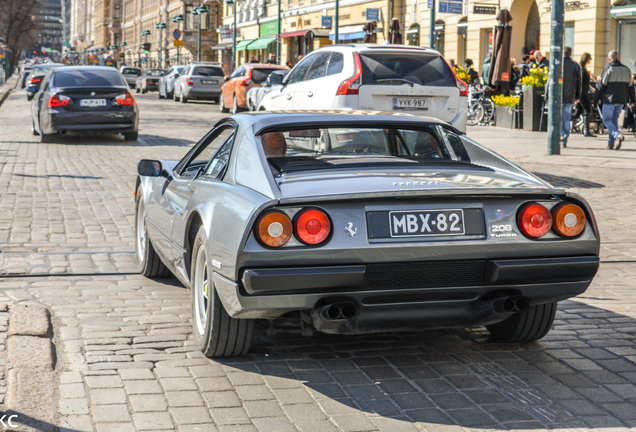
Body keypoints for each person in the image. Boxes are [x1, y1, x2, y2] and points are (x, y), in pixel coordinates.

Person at [594, 50, 636, 149]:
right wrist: (633, 101)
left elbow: (601, 86)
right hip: (621, 101)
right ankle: (611, 143)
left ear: (609, 59)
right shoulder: (627, 69)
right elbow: (631, 87)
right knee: (613, 121)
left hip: (609, 100)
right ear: (618, 58)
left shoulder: (608, 68)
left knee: (606, 120)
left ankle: (617, 135)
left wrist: (595, 99)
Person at [560, 47, 581, 148]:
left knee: (557, 117)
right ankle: (564, 138)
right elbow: (578, 82)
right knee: (566, 118)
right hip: (569, 95)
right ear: (570, 53)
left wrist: (547, 95)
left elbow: (550, 79)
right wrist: (577, 96)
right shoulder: (575, 65)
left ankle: (560, 136)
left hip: (557, 96)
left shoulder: (557, 63)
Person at [576, 52, 596, 137]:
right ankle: (586, 131)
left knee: (578, 112)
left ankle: (562, 121)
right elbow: (580, 82)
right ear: (587, 59)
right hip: (583, 93)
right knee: (588, 110)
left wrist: (590, 87)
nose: (591, 60)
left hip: (583, 91)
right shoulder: (581, 69)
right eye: (590, 59)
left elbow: (584, 82)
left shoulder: (582, 68)